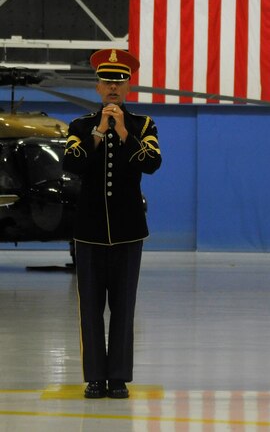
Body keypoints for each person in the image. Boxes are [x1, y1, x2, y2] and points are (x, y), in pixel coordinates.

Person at [64, 48, 162, 399]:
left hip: (128, 232)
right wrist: (98, 132)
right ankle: (94, 377)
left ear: (128, 85)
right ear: (97, 87)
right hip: (89, 233)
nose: (113, 88)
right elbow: (72, 163)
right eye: (107, 81)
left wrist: (122, 132)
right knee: (89, 309)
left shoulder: (143, 125)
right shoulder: (80, 126)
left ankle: (118, 377)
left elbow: (152, 162)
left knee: (123, 307)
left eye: (119, 81)